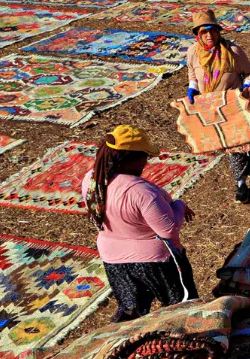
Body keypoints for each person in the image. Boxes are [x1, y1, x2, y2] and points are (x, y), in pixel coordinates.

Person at [82, 125, 198, 322]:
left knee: (130, 309)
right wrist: (179, 205)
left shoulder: (91, 180)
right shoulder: (141, 192)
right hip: (155, 261)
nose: (146, 161)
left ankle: (124, 336)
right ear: (131, 159)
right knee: (181, 306)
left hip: (113, 258)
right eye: (145, 156)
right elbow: (168, 230)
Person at [186, 8, 250, 205]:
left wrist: (247, 86)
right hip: (212, 109)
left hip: (234, 106)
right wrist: (193, 88)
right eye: (204, 32)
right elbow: (192, 73)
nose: (209, 35)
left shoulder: (232, 52)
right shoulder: (193, 53)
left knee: (239, 145)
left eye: (212, 30)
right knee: (234, 147)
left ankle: (242, 183)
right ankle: (248, 169)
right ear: (198, 35)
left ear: (218, 31)